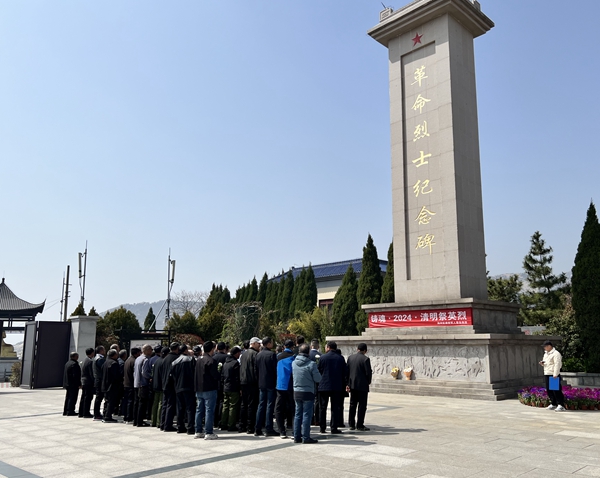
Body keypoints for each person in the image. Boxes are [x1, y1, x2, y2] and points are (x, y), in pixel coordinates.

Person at [292, 343, 322, 444]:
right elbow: (318, 379)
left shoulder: (294, 363)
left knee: (297, 414)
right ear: (308, 352)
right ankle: (306, 437)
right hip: (308, 391)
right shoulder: (311, 364)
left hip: (296, 390)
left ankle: (296, 436)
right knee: (306, 415)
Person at [318, 341, 347, 434]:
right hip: (336, 386)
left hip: (323, 386)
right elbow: (344, 373)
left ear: (328, 347)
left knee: (322, 407)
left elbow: (319, 370)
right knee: (335, 408)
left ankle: (322, 427)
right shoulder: (340, 358)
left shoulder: (322, 357)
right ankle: (333, 427)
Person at [194, 341, 221, 440]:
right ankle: (209, 432)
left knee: (199, 410)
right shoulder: (211, 360)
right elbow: (215, 375)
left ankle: (198, 431)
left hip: (199, 388)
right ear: (212, 349)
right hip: (209, 387)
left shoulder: (198, 360)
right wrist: (220, 375)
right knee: (209, 410)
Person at [255, 337, 278, 437]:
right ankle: (269, 428)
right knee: (269, 405)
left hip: (261, 383)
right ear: (268, 344)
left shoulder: (258, 355)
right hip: (270, 383)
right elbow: (275, 370)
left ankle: (257, 428)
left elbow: (256, 370)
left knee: (261, 405)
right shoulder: (272, 355)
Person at [347, 343, 372, 431]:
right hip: (362, 386)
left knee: (352, 405)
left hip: (352, 385)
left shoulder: (350, 358)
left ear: (357, 349)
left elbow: (348, 371)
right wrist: (368, 382)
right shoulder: (365, 359)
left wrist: (348, 383)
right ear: (365, 351)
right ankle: (360, 424)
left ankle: (351, 424)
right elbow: (368, 373)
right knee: (362, 405)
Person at [172, 344, 196, 435]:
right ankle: (190, 427)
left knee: (180, 408)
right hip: (189, 386)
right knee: (190, 408)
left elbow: (173, 376)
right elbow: (194, 372)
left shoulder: (174, 362)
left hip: (178, 387)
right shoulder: (191, 359)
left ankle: (180, 427)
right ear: (186, 350)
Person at [275, 339, 295, 438]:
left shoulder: (278, 357)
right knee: (293, 408)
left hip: (280, 385)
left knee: (278, 408)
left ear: (284, 347)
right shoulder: (293, 357)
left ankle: (281, 431)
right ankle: (293, 429)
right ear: (292, 347)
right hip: (291, 385)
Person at [239, 337, 260, 434]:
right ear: (254, 343)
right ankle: (250, 427)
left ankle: (241, 425)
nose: (259, 346)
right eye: (258, 344)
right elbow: (256, 369)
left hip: (243, 381)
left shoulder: (243, 354)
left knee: (244, 404)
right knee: (252, 405)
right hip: (252, 382)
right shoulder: (255, 354)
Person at [540, 340, 566, 412]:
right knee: (549, 390)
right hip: (547, 373)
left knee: (556, 390)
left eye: (545, 347)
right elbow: (547, 363)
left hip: (553, 374)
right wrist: (542, 363)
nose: (544, 348)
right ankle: (553, 403)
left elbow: (557, 364)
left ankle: (560, 404)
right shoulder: (546, 354)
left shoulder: (556, 353)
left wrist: (555, 374)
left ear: (549, 346)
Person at [160, 342, 181, 432]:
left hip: (164, 384)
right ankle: (168, 425)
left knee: (165, 404)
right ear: (176, 348)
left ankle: (162, 423)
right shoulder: (176, 359)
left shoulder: (165, 358)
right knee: (170, 405)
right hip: (171, 384)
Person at [221, 346, 242, 432]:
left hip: (225, 387)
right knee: (233, 406)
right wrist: (239, 388)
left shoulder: (225, 363)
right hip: (233, 387)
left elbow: (222, 375)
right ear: (236, 353)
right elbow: (237, 377)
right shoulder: (235, 363)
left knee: (225, 405)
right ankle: (231, 424)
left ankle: (223, 423)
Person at [133, 344, 153, 427]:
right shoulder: (146, 359)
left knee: (137, 403)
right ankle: (140, 421)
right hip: (143, 383)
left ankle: (136, 420)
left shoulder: (138, 358)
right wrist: (150, 377)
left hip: (136, 383)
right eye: (151, 349)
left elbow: (134, 372)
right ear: (147, 350)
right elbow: (144, 372)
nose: (152, 351)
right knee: (142, 403)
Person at [101, 349, 122, 423]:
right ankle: (108, 416)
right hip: (112, 386)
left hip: (105, 385)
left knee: (107, 401)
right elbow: (116, 376)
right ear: (114, 355)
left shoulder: (106, 362)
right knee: (111, 401)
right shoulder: (114, 363)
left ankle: (105, 414)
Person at [151, 347, 169, 428]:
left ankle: (153, 421)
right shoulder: (163, 361)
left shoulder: (157, 361)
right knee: (161, 403)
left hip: (155, 384)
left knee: (155, 403)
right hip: (161, 385)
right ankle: (159, 422)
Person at [122, 347, 140, 424]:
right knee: (130, 401)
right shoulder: (133, 361)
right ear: (136, 353)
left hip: (126, 383)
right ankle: (129, 417)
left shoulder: (127, 360)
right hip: (130, 384)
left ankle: (126, 416)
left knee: (127, 401)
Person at [213, 342, 228, 428]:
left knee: (215, 402)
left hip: (215, 383)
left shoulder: (213, 357)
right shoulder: (226, 357)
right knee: (222, 402)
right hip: (223, 382)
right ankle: (220, 420)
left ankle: (214, 420)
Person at [78, 347, 95, 418]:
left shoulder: (85, 360)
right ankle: (86, 412)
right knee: (88, 397)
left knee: (83, 397)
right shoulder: (90, 361)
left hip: (84, 381)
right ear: (92, 353)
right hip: (88, 382)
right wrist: (94, 381)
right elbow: (91, 373)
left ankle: (81, 412)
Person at [63, 352, 81, 416]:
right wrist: (79, 383)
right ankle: (70, 411)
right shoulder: (74, 364)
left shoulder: (67, 363)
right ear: (74, 357)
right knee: (72, 398)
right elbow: (75, 375)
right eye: (77, 356)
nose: (78, 357)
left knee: (68, 397)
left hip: (67, 383)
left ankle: (66, 410)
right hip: (73, 384)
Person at [92, 346, 106, 421]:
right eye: (103, 349)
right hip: (100, 380)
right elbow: (104, 368)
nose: (104, 351)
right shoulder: (100, 359)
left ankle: (96, 413)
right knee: (99, 397)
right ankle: (96, 414)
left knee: (98, 397)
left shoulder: (96, 358)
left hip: (97, 379)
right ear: (101, 350)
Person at [309, 339, 321, 426]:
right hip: (317, 380)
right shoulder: (320, 355)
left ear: (311, 346)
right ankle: (317, 419)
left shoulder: (307, 355)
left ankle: (310, 419)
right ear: (318, 346)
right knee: (317, 400)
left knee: (309, 400)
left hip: (308, 380)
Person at [115, 349, 127, 416]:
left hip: (117, 383)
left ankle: (116, 410)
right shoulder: (122, 363)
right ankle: (119, 411)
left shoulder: (118, 361)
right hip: (120, 383)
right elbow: (122, 374)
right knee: (121, 398)